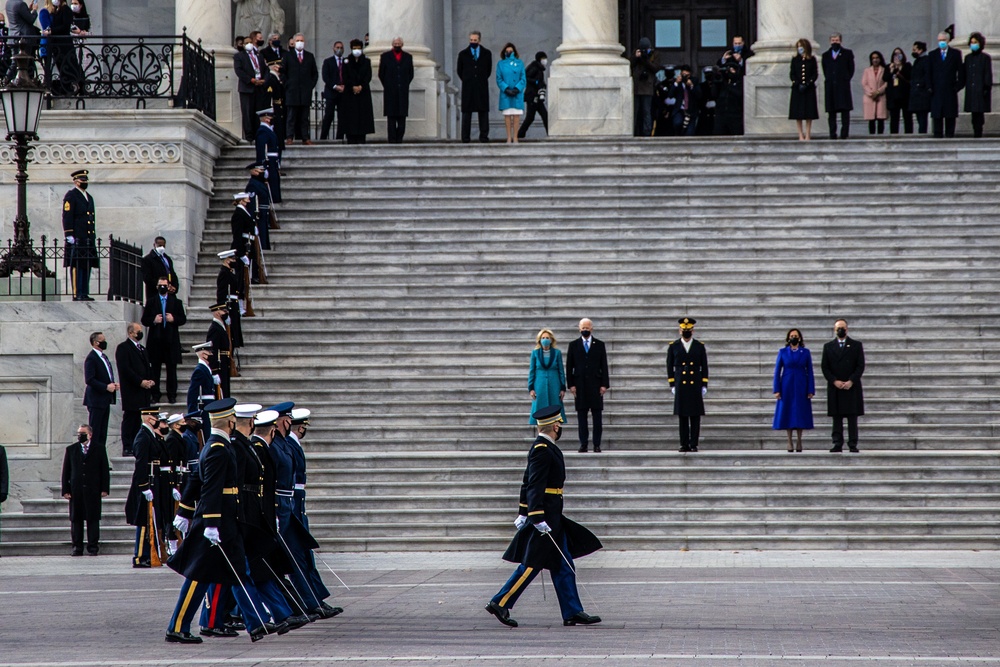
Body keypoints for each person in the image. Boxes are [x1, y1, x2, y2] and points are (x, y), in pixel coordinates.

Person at [486, 405, 602, 629]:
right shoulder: (542, 449)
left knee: (564, 564)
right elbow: (534, 484)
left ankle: (572, 611)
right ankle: (499, 602)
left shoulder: (544, 447)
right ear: (556, 425)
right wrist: (535, 516)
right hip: (546, 516)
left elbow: (527, 480)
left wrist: (523, 511)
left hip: (552, 515)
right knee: (531, 565)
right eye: (560, 425)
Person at [164, 398, 251, 644]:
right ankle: (178, 626)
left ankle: (206, 622)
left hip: (219, 519)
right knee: (198, 575)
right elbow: (210, 487)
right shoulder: (217, 449)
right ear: (231, 421)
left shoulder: (214, 446)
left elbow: (195, 480)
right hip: (215, 520)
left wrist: (184, 510)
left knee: (211, 573)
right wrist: (211, 523)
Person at [124, 407, 166, 568]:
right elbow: (141, 463)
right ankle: (140, 556)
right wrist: (144, 486)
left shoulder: (150, 435)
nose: (157, 419)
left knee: (149, 521)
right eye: (155, 416)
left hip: (152, 480)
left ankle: (148, 554)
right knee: (143, 521)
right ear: (148, 418)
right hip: (145, 483)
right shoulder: (143, 436)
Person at [61, 424, 110, 555]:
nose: (80, 435)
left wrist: (105, 488)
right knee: (76, 519)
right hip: (76, 490)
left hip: (93, 489)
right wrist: (65, 489)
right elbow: (66, 471)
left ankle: (93, 546)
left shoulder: (99, 449)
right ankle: (77, 546)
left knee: (93, 519)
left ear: (90, 434)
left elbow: (104, 470)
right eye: (78, 433)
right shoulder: (71, 449)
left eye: (82, 433)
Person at [141, 276, 188, 404]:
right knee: (155, 370)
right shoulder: (151, 302)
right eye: (160, 285)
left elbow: (182, 319)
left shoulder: (176, 302)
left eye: (164, 285)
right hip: (155, 341)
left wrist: (174, 319)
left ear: (168, 287)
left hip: (171, 340)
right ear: (157, 287)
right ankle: (155, 394)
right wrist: (154, 320)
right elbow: (144, 320)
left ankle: (171, 394)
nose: (162, 287)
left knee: (171, 369)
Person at [565, 318, 609, 454]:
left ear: (592, 328)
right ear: (579, 328)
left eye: (587, 327)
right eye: (583, 327)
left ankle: (597, 444)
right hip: (580, 386)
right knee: (582, 417)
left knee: (597, 417)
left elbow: (604, 366)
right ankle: (583, 444)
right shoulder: (573, 345)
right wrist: (571, 385)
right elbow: (569, 367)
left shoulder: (600, 345)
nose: (585, 330)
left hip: (596, 386)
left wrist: (604, 385)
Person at [821, 319, 865, 453]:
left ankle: (852, 443)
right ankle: (837, 442)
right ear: (834, 330)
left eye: (843, 328)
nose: (841, 330)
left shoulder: (856, 345)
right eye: (838, 328)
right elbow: (825, 367)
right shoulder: (828, 347)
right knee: (837, 417)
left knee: (852, 418)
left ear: (847, 329)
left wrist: (851, 380)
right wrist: (834, 381)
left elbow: (860, 365)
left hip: (851, 387)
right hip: (836, 387)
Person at [666, 317, 708, 453]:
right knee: (683, 416)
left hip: (695, 383)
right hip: (681, 384)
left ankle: (694, 443)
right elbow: (669, 366)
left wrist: (704, 384)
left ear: (693, 330)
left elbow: (704, 366)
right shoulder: (674, 346)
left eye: (688, 330)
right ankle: (683, 443)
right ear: (680, 331)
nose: (686, 332)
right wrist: (672, 384)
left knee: (695, 416)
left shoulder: (699, 346)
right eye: (684, 330)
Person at [772, 329, 815, 453]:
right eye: (792, 336)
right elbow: (777, 371)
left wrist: (810, 388)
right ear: (788, 338)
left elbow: (810, 371)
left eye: (796, 336)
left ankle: (799, 440)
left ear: (800, 338)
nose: (794, 338)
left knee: (800, 412)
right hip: (787, 385)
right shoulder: (783, 352)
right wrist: (777, 388)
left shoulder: (805, 352)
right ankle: (789, 440)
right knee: (788, 412)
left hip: (802, 384)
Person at [115, 322, 154, 456]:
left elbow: (148, 366)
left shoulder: (142, 349)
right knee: (130, 419)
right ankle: (127, 446)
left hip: (143, 392)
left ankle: (138, 445)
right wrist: (140, 382)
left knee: (140, 420)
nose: (140, 333)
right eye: (138, 331)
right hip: (132, 391)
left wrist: (150, 380)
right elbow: (126, 369)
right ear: (131, 333)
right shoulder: (123, 348)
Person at [62, 169, 97, 301]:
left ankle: (84, 292)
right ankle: (77, 293)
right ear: (76, 181)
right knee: (77, 265)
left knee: (86, 265)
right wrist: (69, 234)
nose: (85, 182)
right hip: (77, 237)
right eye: (82, 180)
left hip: (87, 238)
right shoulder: (71, 196)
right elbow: (67, 216)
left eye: (86, 180)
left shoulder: (89, 197)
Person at [83, 331, 118, 451]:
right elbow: (89, 379)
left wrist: (112, 385)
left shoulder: (103, 357)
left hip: (104, 400)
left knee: (103, 433)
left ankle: (101, 459)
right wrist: (105, 387)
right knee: (96, 432)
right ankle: (93, 458)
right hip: (96, 401)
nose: (105, 343)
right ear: (95, 342)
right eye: (102, 341)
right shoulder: (91, 358)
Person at [457, 31, 492, 143]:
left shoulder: (486, 53)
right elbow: (459, 70)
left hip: (481, 86)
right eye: (471, 40)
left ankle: (483, 136)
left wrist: (480, 78)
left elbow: (488, 70)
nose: (473, 42)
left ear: (479, 40)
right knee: (467, 112)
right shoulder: (463, 54)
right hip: (468, 87)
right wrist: (468, 79)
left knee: (483, 112)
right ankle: (465, 137)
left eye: (475, 40)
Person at [282, 33, 317, 145]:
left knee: (304, 117)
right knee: (291, 116)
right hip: (292, 91)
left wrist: (310, 85)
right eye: (297, 40)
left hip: (305, 91)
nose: (299, 42)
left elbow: (314, 73)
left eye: (301, 40)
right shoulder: (288, 56)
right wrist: (287, 84)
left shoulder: (309, 56)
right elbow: (283, 73)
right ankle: (289, 137)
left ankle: (305, 138)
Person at [378, 36, 414, 144]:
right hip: (390, 92)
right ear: (392, 44)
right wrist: (388, 85)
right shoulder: (385, 56)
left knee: (402, 119)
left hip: (402, 92)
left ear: (402, 44)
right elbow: (381, 74)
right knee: (391, 119)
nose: (397, 45)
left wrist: (404, 84)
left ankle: (399, 139)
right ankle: (392, 140)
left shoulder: (408, 57)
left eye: (399, 43)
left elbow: (410, 74)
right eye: (395, 43)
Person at [929, 31, 965, 138]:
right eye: (940, 40)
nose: (941, 42)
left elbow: (961, 72)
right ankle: (937, 135)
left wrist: (957, 86)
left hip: (950, 90)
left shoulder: (955, 54)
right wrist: (929, 87)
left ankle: (950, 135)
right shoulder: (932, 54)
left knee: (950, 115)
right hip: (936, 90)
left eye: (943, 40)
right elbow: (929, 73)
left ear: (948, 41)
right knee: (937, 116)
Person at [528, 328, 566, 426]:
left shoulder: (557, 353)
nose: (545, 339)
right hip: (539, 385)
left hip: (554, 384)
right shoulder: (535, 353)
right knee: (540, 409)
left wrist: (562, 387)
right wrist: (531, 387)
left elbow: (561, 370)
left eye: (547, 338)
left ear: (551, 339)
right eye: (543, 337)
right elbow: (532, 371)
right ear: (539, 340)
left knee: (554, 409)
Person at [234, 32, 268, 142]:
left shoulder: (259, 55)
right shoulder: (239, 56)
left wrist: (264, 80)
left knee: (258, 113)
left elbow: (265, 69)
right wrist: (251, 80)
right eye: (246, 43)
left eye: (250, 42)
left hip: (259, 87)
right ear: (243, 45)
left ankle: (258, 134)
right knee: (247, 113)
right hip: (247, 88)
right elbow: (239, 71)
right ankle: (249, 136)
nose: (249, 44)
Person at [821, 33, 855, 140]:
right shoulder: (825, 55)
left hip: (843, 86)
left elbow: (851, 69)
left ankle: (844, 133)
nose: (834, 42)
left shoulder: (847, 53)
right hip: (831, 86)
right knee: (831, 112)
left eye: (836, 40)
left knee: (845, 111)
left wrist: (845, 79)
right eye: (832, 40)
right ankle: (832, 133)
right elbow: (825, 70)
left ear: (840, 41)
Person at [340, 38, 374, 144]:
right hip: (350, 94)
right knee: (351, 117)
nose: (357, 50)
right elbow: (345, 76)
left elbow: (368, 76)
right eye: (354, 48)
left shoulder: (366, 61)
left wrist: (361, 86)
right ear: (351, 49)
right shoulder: (346, 61)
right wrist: (352, 86)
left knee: (362, 117)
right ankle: (351, 138)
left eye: (359, 48)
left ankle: (361, 137)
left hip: (363, 92)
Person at [789, 38, 819, 141]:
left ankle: (808, 134)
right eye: (798, 47)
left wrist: (807, 83)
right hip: (797, 89)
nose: (799, 49)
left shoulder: (812, 59)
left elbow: (815, 74)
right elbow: (792, 74)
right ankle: (800, 134)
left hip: (808, 89)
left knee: (808, 112)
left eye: (801, 46)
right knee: (798, 113)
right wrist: (797, 83)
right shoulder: (795, 59)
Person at [964, 32, 992, 139]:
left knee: (979, 113)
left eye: (975, 42)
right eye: (971, 42)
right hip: (971, 89)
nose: (973, 44)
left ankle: (978, 132)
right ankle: (975, 130)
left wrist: (986, 87)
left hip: (980, 89)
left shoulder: (985, 58)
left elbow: (987, 74)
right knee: (973, 113)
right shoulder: (968, 58)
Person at [496, 42, 525, 144]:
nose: (508, 52)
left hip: (517, 93)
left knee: (516, 116)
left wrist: (517, 89)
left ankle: (515, 137)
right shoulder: (501, 64)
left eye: (510, 51)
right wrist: (506, 88)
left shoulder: (520, 63)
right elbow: (499, 78)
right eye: (507, 51)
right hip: (506, 93)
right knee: (507, 116)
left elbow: (523, 78)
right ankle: (509, 137)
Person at [630, 37, 659, 137]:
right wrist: (636, 57)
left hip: (647, 88)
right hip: (637, 87)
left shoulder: (654, 54)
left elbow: (655, 68)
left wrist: (646, 59)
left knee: (647, 111)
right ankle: (633, 132)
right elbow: (630, 64)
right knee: (635, 111)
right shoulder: (636, 53)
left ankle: (647, 133)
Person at [517, 51, 547, 139]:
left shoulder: (539, 68)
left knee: (542, 116)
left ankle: (520, 134)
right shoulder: (534, 67)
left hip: (536, 97)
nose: (545, 60)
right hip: (532, 96)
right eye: (543, 58)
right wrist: (536, 82)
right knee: (531, 117)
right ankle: (520, 134)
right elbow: (525, 78)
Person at [320, 41, 345, 141]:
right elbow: (325, 77)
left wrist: (344, 86)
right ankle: (323, 137)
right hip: (331, 92)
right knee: (328, 116)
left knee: (342, 117)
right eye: (337, 47)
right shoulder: (328, 61)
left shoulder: (346, 61)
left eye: (341, 47)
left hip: (343, 93)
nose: (339, 49)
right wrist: (335, 86)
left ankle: (340, 137)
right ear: (333, 48)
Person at [206, 303, 233, 398]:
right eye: (224, 311)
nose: (226, 313)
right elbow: (212, 350)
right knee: (222, 392)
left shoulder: (221, 326)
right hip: (220, 364)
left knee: (225, 390)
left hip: (224, 362)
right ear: (217, 313)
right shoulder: (215, 328)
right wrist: (214, 371)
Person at [140, 236, 178, 302]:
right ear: (154, 245)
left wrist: (174, 287)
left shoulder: (167, 259)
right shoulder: (148, 259)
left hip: (169, 295)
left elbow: (173, 274)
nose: (162, 248)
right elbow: (147, 278)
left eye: (163, 246)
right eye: (160, 245)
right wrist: (162, 286)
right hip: (155, 295)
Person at [255, 107, 281, 202]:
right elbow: (261, 150)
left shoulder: (268, 130)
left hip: (273, 161)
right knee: (272, 184)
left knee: (275, 183)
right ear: (266, 118)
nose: (272, 119)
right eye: (270, 117)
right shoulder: (263, 131)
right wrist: (263, 167)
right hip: (269, 162)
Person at [885, 47, 913, 134]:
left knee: (907, 116)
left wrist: (900, 68)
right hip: (893, 96)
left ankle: (908, 134)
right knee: (894, 118)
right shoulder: (889, 66)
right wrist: (891, 70)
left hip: (905, 95)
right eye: (895, 54)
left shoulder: (907, 65)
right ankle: (893, 134)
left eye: (899, 54)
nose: (897, 56)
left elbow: (909, 77)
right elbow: (885, 78)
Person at [669, 65, 701, 136]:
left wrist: (691, 85)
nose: (685, 77)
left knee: (690, 133)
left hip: (691, 111)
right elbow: (670, 95)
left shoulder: (694, 81)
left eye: (687, 75)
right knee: (677, 123)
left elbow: (699, 95)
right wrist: (676, 83)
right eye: (683, 75)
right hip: (680, 110)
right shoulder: (677, 82)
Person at [862, 51, 888, 134]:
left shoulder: (884, 70)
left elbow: (886, 83)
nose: (875, 60)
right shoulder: (867, 70)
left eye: (877, 58)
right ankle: (871, 136)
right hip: (870, 97)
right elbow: (864, 83)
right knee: (871, 119)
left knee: (881, 119)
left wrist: (878, 92)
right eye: (873, 58)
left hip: (881, 96)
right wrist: (871, 93)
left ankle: (881, 136)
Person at [909, 41, 932, 134]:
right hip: (916, 93)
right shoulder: (917, 61)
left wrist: (920, 85)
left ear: (920, 50)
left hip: (922, 94)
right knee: (919, 117)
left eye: (915, 49)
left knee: (922, 117)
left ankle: (923, 133)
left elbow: (927, 75)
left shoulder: (926, 60)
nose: (913, 51)